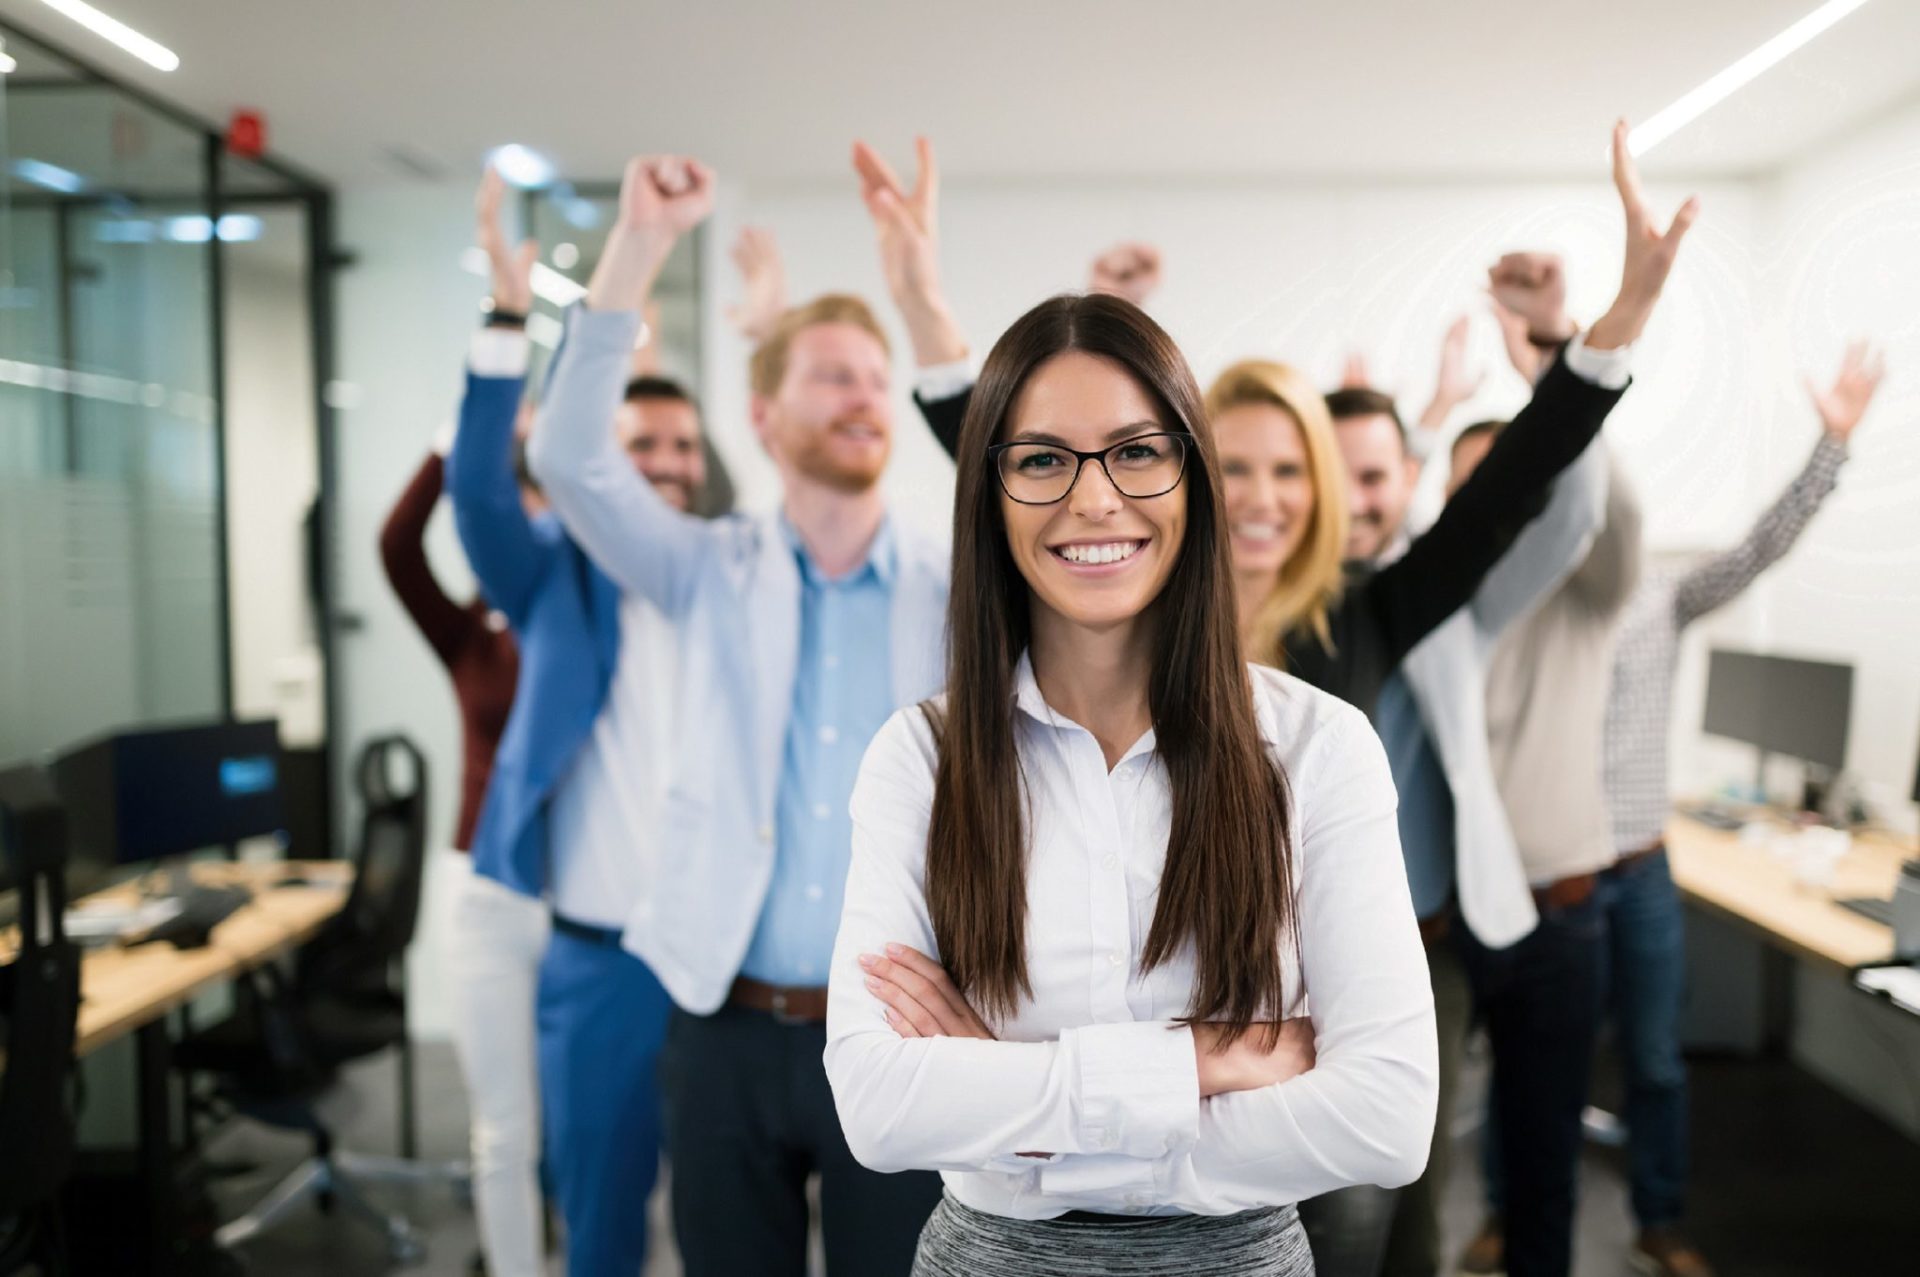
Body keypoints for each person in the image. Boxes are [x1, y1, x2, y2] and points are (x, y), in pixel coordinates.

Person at [825, 290, 1439, 1275]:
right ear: (989, 493)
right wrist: (1194, 1064)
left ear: (1193, 478)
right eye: (1041, 459)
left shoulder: (1321, 748)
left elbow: (1388, 1116)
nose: (1094, 497)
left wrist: (1023, 1128)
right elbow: (879, 1104)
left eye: (1137, 450)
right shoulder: (920, 758)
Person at [526, 152, 949, 1277]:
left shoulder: (955, 586)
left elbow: (1017, 470)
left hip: (901, 1033)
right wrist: (641, 245)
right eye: (832, 374)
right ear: (762, 416)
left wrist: (917, 296)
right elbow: (568, 456)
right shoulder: (707, 568)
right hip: (719, 1023)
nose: (864, 391)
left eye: (875, 374)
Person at [1463, 341, 1889, 1277]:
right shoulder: (1507, 603)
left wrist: (1832, 442)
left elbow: (1761, 546)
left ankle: (1660, 1220)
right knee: (1527, 1071)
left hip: (1642, 869)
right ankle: (1505, 1212)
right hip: (1546, 879)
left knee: (1656, 1060)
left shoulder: (1660, 594)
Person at [447, 166, 720, 1276]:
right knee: (599, 1215)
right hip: (598, 958)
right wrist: (510, 324)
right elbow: (475, 489)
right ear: (598, 465)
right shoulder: (550, 571)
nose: (663, 464)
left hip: (717, 965)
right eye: (638, 446)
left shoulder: (732, 580)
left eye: (681, 448)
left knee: (723, 1221)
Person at [376, 168, 549, 1277]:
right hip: (481, 885)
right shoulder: (469, 633)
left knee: (575, 1120)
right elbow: (398, 545)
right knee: (501, 1122)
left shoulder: (594, 618)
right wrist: (463, 435)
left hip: (581, 889)